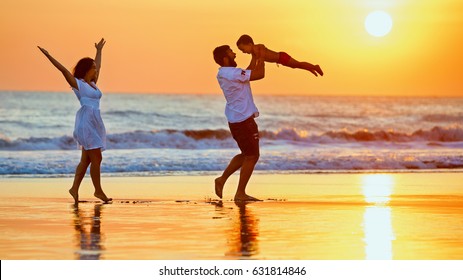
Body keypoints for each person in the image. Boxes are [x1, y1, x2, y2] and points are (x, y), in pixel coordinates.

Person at [38, 38, 112, 204]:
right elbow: (63, 71)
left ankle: (74, 189)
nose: (96, 69)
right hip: (86, 124)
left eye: (95, 67)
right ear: (86, 70)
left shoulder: (93, 84)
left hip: (94, 123)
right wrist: (49, 56)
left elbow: (99, 65)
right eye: (92, 68)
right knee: (97, 158)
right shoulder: (78, 84)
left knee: (86, 160)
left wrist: (99, 51)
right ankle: (98, 191)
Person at [213, 45, 265, 202]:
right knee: (252, 156)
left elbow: (247, 73)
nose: (234, 54)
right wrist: (262, 56)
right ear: (225, 58)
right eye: (231, 52)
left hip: (235, 120)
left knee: (246, 154)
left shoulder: (225, 73)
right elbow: (259, 74)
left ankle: (221, 180)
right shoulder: (231, 72)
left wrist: (254, 58)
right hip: (243, 121)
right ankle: (240, 193)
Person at [236, 34, 323, 77]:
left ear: (250, 44)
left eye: (243, 49)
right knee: (297, 65)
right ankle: (311, 68)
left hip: (282, 57)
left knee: (298, 64)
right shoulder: (254, 54)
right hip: (281, 60)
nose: (243, 52)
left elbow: (262, 53)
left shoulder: (258, 47)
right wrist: (242, 75)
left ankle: (315, 67)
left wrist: (260, 60)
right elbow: (251, 66)